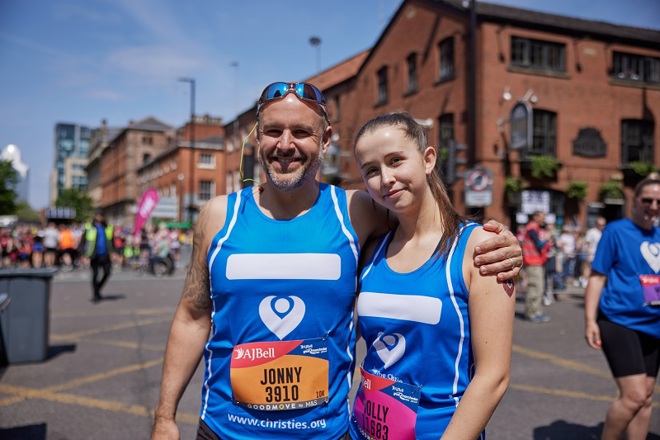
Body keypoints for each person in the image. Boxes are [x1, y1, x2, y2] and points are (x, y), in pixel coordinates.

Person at [151, 81, 523, 440]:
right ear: (257, 138)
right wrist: (165, 417)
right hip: (226, 430)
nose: (285, 144)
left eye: (301, 132)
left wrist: (499, 242)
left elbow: (425, 221)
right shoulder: (218, 217)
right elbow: (192, 317)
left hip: (325, 434)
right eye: (273, 131)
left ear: (325, 141)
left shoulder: (357, 212)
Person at [348, 112, 515, 439]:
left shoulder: (478, 247)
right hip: (364, 430)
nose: (386, 178)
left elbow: (493, 377)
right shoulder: (370, 249)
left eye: (395, 160)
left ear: (427, 159)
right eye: (371, 170)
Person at [584, 176, 660, 440]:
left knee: (646, 399)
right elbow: (597, 277)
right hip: (619, 320)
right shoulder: (616, 231)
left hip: (654, 324)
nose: (653, 206)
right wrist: (590, 320)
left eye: (659, 201)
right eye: (647, 200)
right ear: (635, 202)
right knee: (634, 396)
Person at [522, 211, 552, 323]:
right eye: (542, 217)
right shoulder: (532, 228)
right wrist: (547, 239)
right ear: (535, 217)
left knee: (539, 289)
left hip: (537, 262)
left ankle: (536, 312)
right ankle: (531, 313)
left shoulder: (535, 228)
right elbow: (539, 244)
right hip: (532, 262)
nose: (543, 219)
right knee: (534, 288)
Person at [78, 210, 114, 302]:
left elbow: (111, 241)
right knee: (95, 275)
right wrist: (82, 254)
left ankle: (97, 288)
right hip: (94, 255)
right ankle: (95, 294)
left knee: (107, 272)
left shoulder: (108, 227)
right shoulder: (89, 227)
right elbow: (83, 242)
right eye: (98, 215)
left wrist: (114, 252)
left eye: (102, 215)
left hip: (105, 254)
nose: (100, 217)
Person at [582, 216, 606, 285]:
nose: (602, 226)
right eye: (600, 225)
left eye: (603, 225)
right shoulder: (591, 232)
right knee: (588, 267)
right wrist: (588, 254)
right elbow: (587, 243)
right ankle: (585, 280)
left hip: (600, 254)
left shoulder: (604, 232)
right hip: (592, 253)